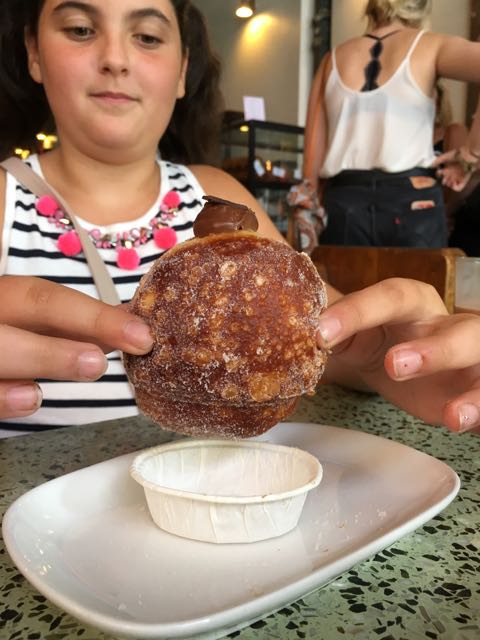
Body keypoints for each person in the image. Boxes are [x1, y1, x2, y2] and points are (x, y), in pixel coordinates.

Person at [1, 0, 480, 437]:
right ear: (34, 53)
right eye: (81, 29)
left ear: (183, 69)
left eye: (147, 36)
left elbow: (331, 344)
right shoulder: (6, 200)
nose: (115, 58)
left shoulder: (221, 200)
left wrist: (386, 357)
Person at [301, 0, 480, 249]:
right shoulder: (430, 45)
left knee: (344, 278)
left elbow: (310, 173)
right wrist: (471, 153)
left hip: (344, 205)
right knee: (418, 278)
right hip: (414, 204)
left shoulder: (331, 60)